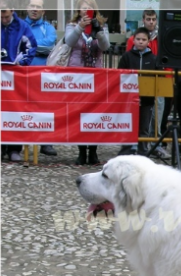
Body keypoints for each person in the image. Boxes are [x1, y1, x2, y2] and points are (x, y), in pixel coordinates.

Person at [65, 0, 109, 166]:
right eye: (84, 8)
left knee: (95, 113)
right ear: (79, 10)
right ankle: (81, 151)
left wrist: (98, 31)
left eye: (90, 8)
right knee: (79, 113)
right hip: (77, 75)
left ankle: (94, 151)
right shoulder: (72, 24)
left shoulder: (102, 25)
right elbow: (68, 42)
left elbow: (105, 46)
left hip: (95, 74)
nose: (87, 10)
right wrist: (80, 28)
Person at [124, 8, 170, 160]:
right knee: (132, 122)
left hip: (151, 91)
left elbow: (162, 65)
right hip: (132, 92)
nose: (151, 22)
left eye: (153, 19)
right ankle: (129, 148)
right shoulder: (129, 50)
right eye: (148, 19)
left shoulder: (158, 47)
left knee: (150, 121)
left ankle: (147, 148)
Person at [0, 0, 37, 162]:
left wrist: (23, 61)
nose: (3, 19)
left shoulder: (22, 26)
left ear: (12, 11)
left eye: (6, 16)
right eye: (0, 16)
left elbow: (32, 46)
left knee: (15, 109)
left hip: (15, 75)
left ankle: (14, 148)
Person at [117, 28, 157, 157]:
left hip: (147, 99)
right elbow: (120, 75)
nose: (141, 42)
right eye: (138, 39)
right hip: (129, 98)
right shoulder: (126, 57)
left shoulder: (153, 58)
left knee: (144, 127)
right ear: (133, 40)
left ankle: (143, 152)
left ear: (149, 41)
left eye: (144, 40)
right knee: (128, 125)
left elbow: (158, 78)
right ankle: (126, 151)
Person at [25, 0, 58, 157]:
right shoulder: (19, 26)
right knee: (20, 108)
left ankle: (46, 143)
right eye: (32, 6)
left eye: (38, 7)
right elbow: (16, 45)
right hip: (22, 74)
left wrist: (28, 46)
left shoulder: (49, 28)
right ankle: (17, 143)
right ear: (27, 8)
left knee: (45, 109)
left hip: (43, 75)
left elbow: (49, 46)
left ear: (43, 11)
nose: (35, 9)